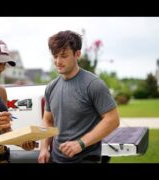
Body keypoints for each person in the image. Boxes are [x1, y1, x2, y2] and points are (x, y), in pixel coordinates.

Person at [38, 30, 120, 163]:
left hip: (85, 158)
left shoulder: (93, 85)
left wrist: (81, 143)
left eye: (64, 56)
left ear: (77, 54)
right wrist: (44, 148)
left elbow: (112, 120)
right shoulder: (51, 87)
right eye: (55, 56)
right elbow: (48, 120)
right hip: (56, 158)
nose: (58, 61)